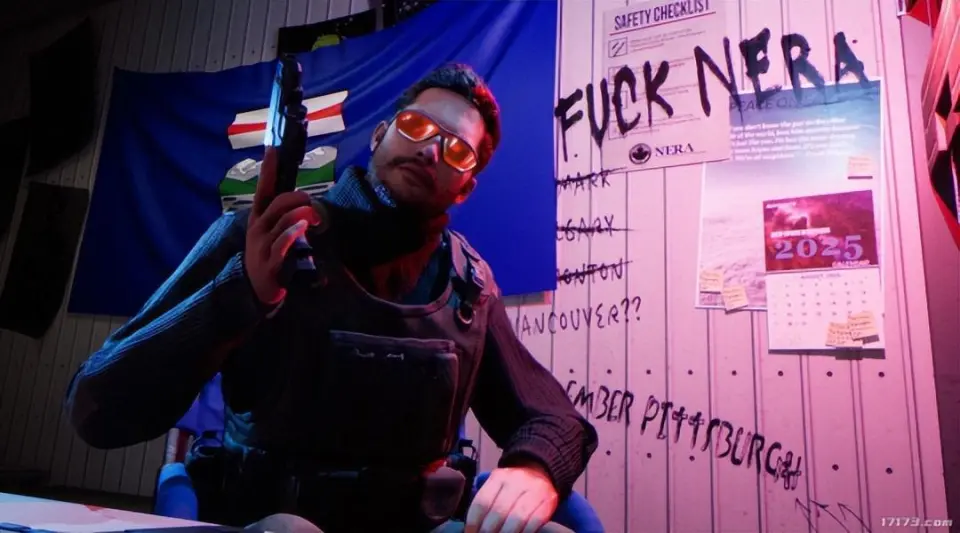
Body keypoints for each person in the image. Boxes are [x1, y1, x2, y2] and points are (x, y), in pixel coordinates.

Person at [64, 63, 597, 533]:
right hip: (272, 518)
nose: (431, 149)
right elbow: (97, 409)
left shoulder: (469, 285)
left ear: (465, 187)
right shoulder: (265, 238)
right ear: (381, 134)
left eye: (458, 150)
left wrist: (535, 469)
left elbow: (555, 420)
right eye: (416, 126)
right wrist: (241, 292)